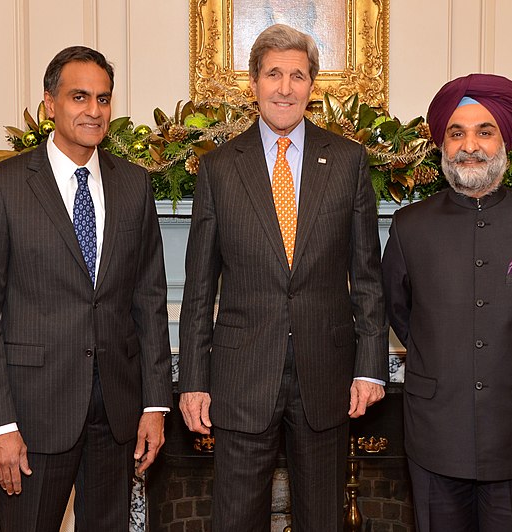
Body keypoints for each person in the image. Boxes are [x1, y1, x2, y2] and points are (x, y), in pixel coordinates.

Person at [177, 24, 389, 531]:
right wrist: (193, 380)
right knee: (236, 518)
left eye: (297, 75)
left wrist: (370, 367)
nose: (285, 87)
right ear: (253, 84)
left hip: (327, 375)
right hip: (241, 378)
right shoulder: (219, 169)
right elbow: (199, 287)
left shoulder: (347, 161)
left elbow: (367, 277)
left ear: (312, 86)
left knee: (322, 519)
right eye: (274, 74)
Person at [0, 46, 172, 531]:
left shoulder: (135, 186)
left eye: (103, 99)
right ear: (50, 103)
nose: (93, 110)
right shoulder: (2, 186)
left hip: (117, 416)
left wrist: (154, 404)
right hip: (32, 417)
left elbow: (149, 300)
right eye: (80, 97)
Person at [381, 73, 512, 531]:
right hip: (436, 430)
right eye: (456, 133)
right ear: (442, 145)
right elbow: (398, 310)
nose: (469, 145)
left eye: (484, 131)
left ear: (506, 141)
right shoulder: (409, 226)